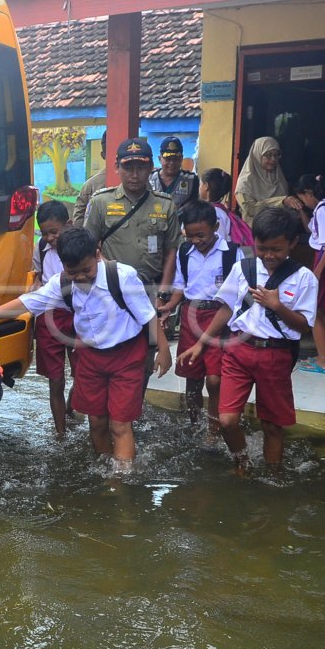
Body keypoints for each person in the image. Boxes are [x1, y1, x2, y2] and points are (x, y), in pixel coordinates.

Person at [0, 228, 170, 471]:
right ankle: (105, 470)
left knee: (119, 424)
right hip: (90, 358)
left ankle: (120, 484)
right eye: (73, 272)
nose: (81, 277)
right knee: (96, 422)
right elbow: (27, 303)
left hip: (127, 357)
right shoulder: (61, 283)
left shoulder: (122, 277)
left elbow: (148, 316)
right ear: (63, 265)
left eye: (87, 270)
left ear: (97, 255)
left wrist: (164, 349)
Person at [178, 207, 317, 467]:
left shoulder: (304, 278)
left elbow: (305, 327)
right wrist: (201, 343)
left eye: (276, 249)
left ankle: (273, 475)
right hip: (238, 351)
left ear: (293, 243)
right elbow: (227, 308)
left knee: (272, 426)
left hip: (275, 354)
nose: (268, 255)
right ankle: (242, 464)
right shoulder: (243, 268)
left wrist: (277, 306)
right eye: (262, 248)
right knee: (228, 420)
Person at [82, 137, 180, 383]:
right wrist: (109, 275)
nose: (134, 174)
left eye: (141, 167)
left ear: (150, 168)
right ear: (117, 167)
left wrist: (164, 294)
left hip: (149, 290)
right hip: (111, 291)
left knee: (146, 354)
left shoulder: (165, 205)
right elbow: (88, 247)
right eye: (128, 167)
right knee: (107, 350)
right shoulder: (101, 202)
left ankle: (131, 409)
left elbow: (171, 251)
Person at [158, 201, 245, 437]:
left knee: (215, 378)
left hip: (220, 316)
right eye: (191, 235)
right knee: (191, 374)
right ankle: (194, 424)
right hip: (191, 315)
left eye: (201, 235)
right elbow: (181, 287)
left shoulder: (232, 253)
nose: (196, 240)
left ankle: (214, 428)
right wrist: (168, 307)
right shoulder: (185, 253)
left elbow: (237, 292)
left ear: (216, 226)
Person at [31, 200, 75, 436]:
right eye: (45, 233)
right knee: (55, 379)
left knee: (82, 374)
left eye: (54, 232)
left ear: (68, 225)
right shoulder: (40, 248)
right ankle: (61, 433)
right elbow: (36, 277)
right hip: (49, 317)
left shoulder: (80, 246)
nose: (49, 238)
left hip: (77, 315)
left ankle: (71, 406)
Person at [293, 174, 325, 374]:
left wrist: (317, 272)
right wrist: (303, 213)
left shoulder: (324, 210)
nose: (304, 202)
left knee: (314, 312)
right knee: (321, 312)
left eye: (303, 197)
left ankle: (324, 361)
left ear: (309, 193)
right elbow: (313, 231)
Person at [236, 137, 302, 226]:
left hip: (281, 231)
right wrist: (281, 202)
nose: (273, 159)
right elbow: (250, 209)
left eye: (276, 155)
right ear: (257, 155)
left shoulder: (279, 178)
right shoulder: (245, 182)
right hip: (257, 233)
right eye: (268, 155)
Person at [148, 136, 199, 209]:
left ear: (181, 159)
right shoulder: (149, 178)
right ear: (160, 159)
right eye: (168, 159)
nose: (172, 163)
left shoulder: (192, 180)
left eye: (176, 159)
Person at [70, 131, 106, 226]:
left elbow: (78, 221)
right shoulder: (90, 185)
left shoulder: (90, 185)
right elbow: (79, 221)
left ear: (102, 155)